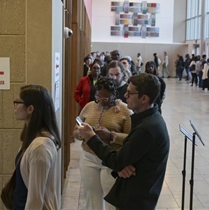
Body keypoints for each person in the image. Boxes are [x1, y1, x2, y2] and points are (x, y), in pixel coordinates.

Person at [77, 73, 170, 209]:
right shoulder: (148, 119)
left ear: (144, 98)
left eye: (129, 93)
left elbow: (117, 161)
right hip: (136, 194)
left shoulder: (147, 128)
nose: (125, 96)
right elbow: (127, 156)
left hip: (136, 199)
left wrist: (92, 137)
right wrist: (123, 163)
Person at [73, 77, 132, 210]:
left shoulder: (125, 110)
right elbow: (75, 132)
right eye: (98, 97)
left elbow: (130, 139)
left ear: (114, 94)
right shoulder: (89, 107)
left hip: (111, 159)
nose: (101, 101)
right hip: (89, 157)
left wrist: (111, 135)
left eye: (105, 98)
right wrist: (83, 134)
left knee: (110, 199)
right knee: (92, 198)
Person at [12, 84, 61, 209]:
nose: (15, 106)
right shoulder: (30, 138)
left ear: (30, 109)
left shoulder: (40, 147)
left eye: (17, 102)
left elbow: (36, 198)